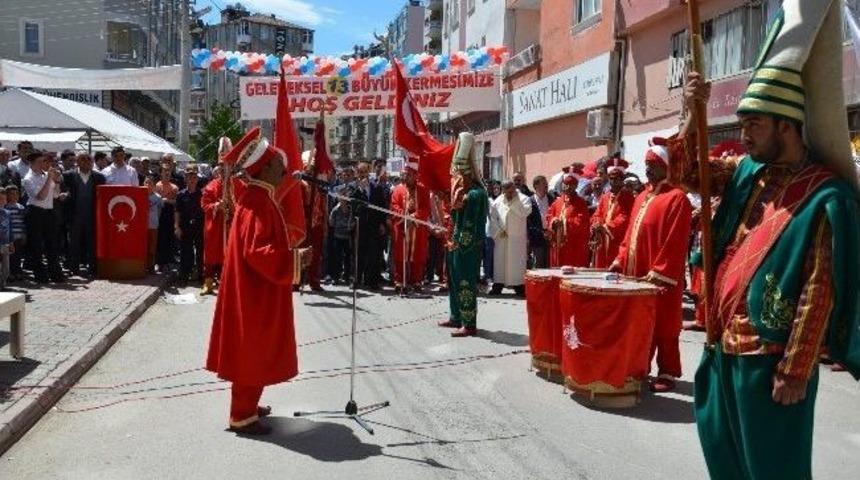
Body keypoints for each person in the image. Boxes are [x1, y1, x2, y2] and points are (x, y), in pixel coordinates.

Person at [681, 3, 860, 478]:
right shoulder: (747, 174)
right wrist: (689, 112)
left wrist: (797, 368)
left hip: (771, 361)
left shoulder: (825, 194)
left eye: (753, 125)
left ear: (787, 124)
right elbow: (687, 174)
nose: (743, 137)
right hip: (722, 348)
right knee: (728, 463)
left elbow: (819, 288)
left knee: (774, 471)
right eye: (741, 126)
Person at [206, 126, 308, 435]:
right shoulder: (259, 202)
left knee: (254, 350)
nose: (285, 170)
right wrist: (295, 259)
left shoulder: (258, 197)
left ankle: (249, 405)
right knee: (252, 349)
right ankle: (242, 415)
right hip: (255, 292)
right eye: (279, 165)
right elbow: (258, 251)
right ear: (264, 168)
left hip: (256, 288)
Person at [610, 139, 692, 393]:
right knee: (639, 324)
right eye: (646, 164)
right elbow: (629, 235)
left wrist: (659, 273)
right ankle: (639, 366)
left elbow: (675, 242)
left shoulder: (677, 199)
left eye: (654, 165)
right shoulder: (641, 197)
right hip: (636, 273)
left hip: (659, 276)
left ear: (667, 167)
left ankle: (667, 371)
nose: (648, 170)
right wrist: (619, 260)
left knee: (665, 324)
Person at [439, 133, 488, 337]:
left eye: (458, 176)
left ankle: (469, 323)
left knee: (465, 282)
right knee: (453, 280)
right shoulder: (460, 192)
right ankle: (456, 316)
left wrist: (459, 242)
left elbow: (469, 225)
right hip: (454, 244)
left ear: (467, 175)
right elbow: (454, 217)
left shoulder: (476, 194)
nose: (455, 180)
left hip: (467, 247)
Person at [200, 161, 246, 295]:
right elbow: (204, 204)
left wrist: (233, 207)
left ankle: (228, 283)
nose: (224, 170)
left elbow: (245, 205)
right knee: (211, 253)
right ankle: (208, 283)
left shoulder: (240, 185)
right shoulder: (211, 186)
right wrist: (216, 206)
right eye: (221, 167)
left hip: (232, 225)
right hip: (215, 226)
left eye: (227, 167)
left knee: (231, 254)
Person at [22, 151, 65, 283]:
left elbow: (55, 195)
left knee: (52, 243)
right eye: (40, 162)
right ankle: (40, 274)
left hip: (49, 212)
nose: (43, 164)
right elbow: (40, 196)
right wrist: (48, 179)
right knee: (37, 244)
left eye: (44, 161)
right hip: (35, 212)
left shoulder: (46, 175)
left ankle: (55, 273)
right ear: (32, 163)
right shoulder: (28, 179)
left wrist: (56, 181)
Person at [62, 152, 106, 277]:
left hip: (92, 216)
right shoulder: (68, 176)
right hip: (74, 215)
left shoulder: (99, 177)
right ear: (77, 161)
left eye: (89, 160)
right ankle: (73, 268)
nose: (86, 162)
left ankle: (93, 268)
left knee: (92, 242)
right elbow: (63, 191)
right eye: (82, 159)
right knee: (74, 242)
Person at [389, 162, 430, 293]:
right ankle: (399, 281)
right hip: (402, 226)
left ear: (415, 175)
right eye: (405, 175)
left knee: (418, 255)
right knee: (400, 255)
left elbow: (425, 208)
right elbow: (394, 206)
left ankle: (416, 281)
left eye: (409, 175)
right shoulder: (398, 189)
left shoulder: (423, 189)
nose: (406, 177)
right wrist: (405, 216)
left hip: (417, 228)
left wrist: (414, 217)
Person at [488, 180, 532, 296]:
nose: (509, 194)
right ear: (503, 190)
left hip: (516, 238)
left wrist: (514, 200)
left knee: (516, 263)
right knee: (500, 263)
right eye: (506, 191)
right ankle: (498, 285)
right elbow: (492, 218)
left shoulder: (523, 199)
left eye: (511, 190)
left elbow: (525, 212)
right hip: (502, 237)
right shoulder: (498, 201)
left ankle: (519, 286)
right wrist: (498, 230)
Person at [590, 158, 634, 269]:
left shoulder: (628, 197)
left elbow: (626, 217)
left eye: (617, 179)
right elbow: (597, 214)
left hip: (617, 241)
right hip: (602, 241)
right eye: (611, 178)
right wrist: (597, 224)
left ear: (622, 179)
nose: (613, 182)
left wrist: (606, 227)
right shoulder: (605, 197)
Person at [349, 161, 387, 290]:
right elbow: (351, 204)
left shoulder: (376, 187)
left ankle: (371, 281)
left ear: (368, 172)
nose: (362, 175)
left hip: (373, 225)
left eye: (364, 172)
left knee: (373, 254)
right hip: (359, 226)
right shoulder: (353, 187)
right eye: (360, 172)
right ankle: (356, 279)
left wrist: (382, 223)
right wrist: (360, 189)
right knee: (358, 254)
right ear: (357, 173)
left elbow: (382, 206)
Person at [545, 174, 591, 267]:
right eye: (565, 185)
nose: (567, 188)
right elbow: (549, 215)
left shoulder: (581, 203)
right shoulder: (558, 202)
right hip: (558, 243)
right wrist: (554, 221)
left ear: (575, 187)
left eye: (570, 185)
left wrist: (564, 223)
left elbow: (581, 222)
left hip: (573, 244)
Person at [299, 154, 328, 292]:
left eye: (313, 169)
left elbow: (324, 206)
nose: (311, 171)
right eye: (308, 169)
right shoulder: (300, 185)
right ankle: (297, 280)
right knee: (301, 252)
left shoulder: (319, 186)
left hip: (317, 223)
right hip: (303, 224)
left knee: (316, 254)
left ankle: (314, 280)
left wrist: (325, 224)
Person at [175, 165, 204, 284]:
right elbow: (177, 211)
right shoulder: (181, 194)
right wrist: (176, 227)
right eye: (189, 176)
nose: (191, 179)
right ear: (185, 178)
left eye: (194, 176)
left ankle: (201, 276)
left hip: (199, 226)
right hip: (185, 226)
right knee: (186, 252)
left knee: (201, 252)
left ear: (197, 178)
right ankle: (184, 275)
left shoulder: (202, 194)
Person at [526, 175, 556, 269]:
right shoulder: (529, 201)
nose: (546, 185)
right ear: (536, 186)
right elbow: (529, 223)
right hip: (537, 239)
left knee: (550, 266)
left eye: (546, 183)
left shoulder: (552, 199)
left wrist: (550, 232)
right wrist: (542, 233)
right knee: (538, 266)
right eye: (544, 183)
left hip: (551, 238)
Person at [155, 161, 179, 272]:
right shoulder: (157, 185)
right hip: (159, 214)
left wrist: (167, 200)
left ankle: (167, 262)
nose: (167, 173)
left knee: (169, 239)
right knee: (159, 239)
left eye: (169, 171)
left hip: (169, 215)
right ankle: (159, 262)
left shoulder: (174, 187)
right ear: (161, 173)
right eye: (165, 171)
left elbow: (176, 202)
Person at [328, 197, 354, 284]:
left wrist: (351, 225)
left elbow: (354, 221)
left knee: (347, 258)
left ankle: (347, 277)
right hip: (337, 236)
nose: (343, 201)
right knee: (337, 258)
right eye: (341, 199)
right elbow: (331, 222)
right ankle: (335, 277)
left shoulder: (351, 210)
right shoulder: (335, 210)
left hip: (347, 237)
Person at [5, 185, 25, 281]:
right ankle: (10, 273)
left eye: (16, 194)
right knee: (10, 256)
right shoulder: (6, 208)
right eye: (12, 194)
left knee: (18, 255)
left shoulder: (21, 207)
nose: (15, 196)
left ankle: (18, 271)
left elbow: (23, 222)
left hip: (19, 236)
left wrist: (24, 234)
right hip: (9, 237)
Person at [144, 176, 162, 273]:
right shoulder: (140, 195)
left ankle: (151, 266)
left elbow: (159, 211)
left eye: (150, 183)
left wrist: (155, 221)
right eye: (146, 182)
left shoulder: (158, 198)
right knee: (144, 246)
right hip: (142, 226)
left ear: (154, 186)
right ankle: (143, 265)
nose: (148, 185)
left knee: (152, 247)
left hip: (153, 225)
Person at [0, 188, 12, 290]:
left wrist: (11, 242)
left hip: (5, 243)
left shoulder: (7, 213)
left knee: (6, 268)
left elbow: (10, 228)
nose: (2, 201)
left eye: (4, 199)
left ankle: (3, 284)